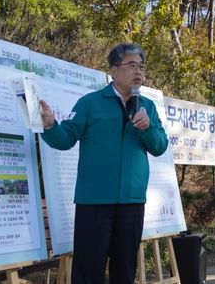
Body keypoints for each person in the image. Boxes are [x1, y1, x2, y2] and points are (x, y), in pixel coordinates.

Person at [39, 43, 168, 284]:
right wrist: (49, 125)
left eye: (141, 66)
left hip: (131, 202)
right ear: (113, 71)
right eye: (131, 65)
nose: (138, 71)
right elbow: (65, 138)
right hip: (94, 202)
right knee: (88, 269)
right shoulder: (90, 103)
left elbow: (160, 146)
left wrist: (148, 129)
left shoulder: (147, 107)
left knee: (125, 270)